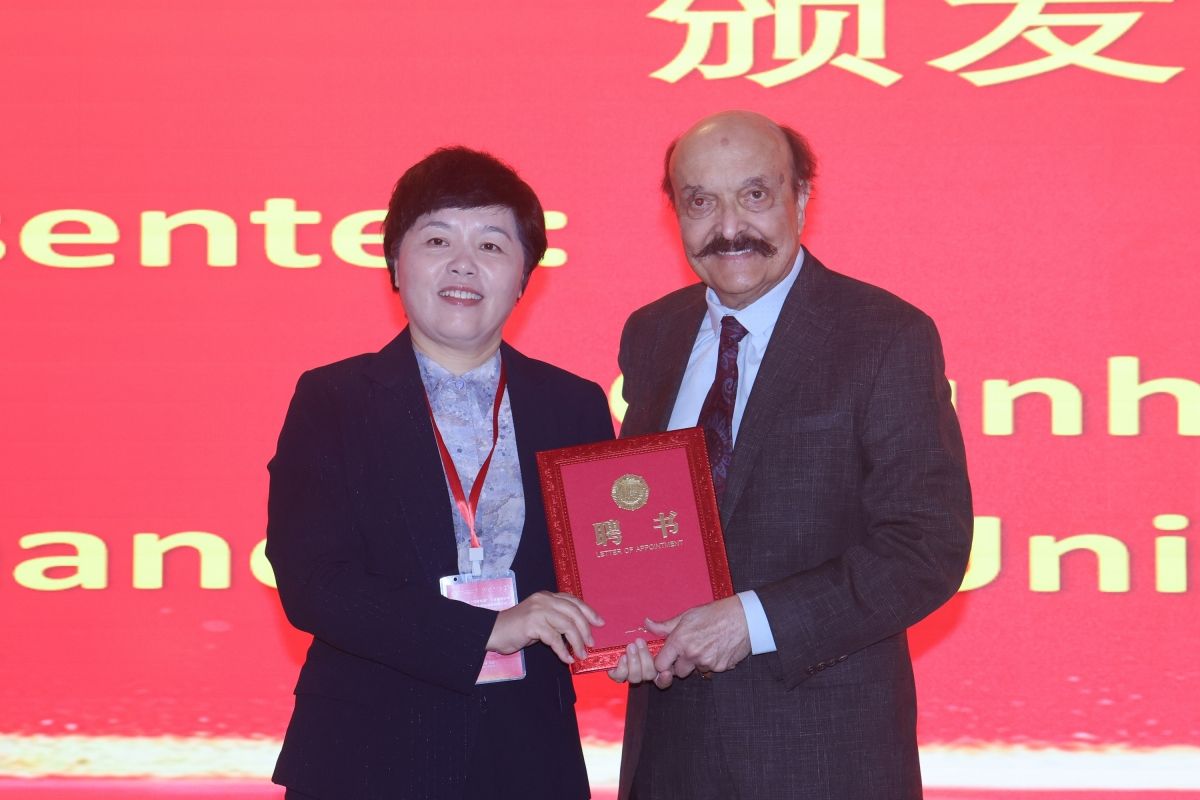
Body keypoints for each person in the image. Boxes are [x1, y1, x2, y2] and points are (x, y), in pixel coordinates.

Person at [609, 110, 973, 799]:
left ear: (801, 198)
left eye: (755, 195)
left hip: (821, 758)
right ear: (674, 213)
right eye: (700, 202)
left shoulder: (885, 336)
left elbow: (926, 548)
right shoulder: (653, 333)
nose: (729, 228)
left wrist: (752, 621)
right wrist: (625, 627)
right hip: (669, 757)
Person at [266, 146, 613, 800]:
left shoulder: (574, 405)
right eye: (436, 239)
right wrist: (488, 629)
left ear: (524, 276)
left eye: (491, 244)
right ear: (395, 263)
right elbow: (314, 582)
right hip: (366, 756)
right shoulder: (332, 399)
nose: (463, 263)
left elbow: (604, 570)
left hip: (528, 754)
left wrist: (639, 635)